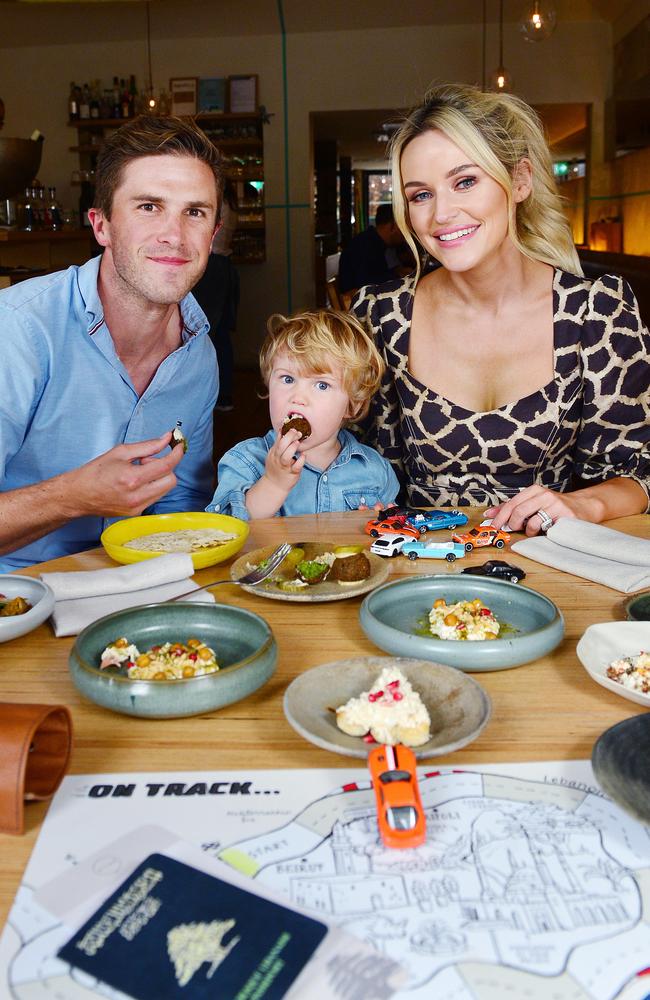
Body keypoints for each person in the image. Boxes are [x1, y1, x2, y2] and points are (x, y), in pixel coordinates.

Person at [352, 84, 649, 536]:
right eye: (420, 195)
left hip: (551, 570)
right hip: (418, 569)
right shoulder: (383, 314)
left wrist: (582, 504)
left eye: (465, 181)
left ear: (520, 180)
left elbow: (638, 471)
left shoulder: (596, 311)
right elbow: (351, 461)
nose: (441, 214)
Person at [0, 115, 222, 571]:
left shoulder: (199, 354)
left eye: (194, 212)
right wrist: (70, 496)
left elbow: (180, 505)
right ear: (101, 226)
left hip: (133, 592)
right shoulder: (19, 331)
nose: (174, 236)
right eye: (148, 207)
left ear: (213, 235)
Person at [207, 310, 399, 519]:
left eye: (322, 385)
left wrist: (378, 521)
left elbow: (393, 529)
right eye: (287, 379)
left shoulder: (375, 470)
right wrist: (273, 483)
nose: (298, 397)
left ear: (351, 406)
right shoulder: (245, 461)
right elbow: (226, 531)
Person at [192, 179, 239, 411]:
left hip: (211, 269)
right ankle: (223, 394)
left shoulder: (215, 203)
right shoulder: (230, 202)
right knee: (219, 332)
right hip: (224, 267)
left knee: (208, 332)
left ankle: (214, 396)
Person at [338, 203, 406, 294]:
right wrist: (398, 275)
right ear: (392, 226)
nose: (406, 233)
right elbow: (366, 284)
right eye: (403, 227)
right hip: (360, 303)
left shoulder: (374, 242)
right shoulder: (364, 246)